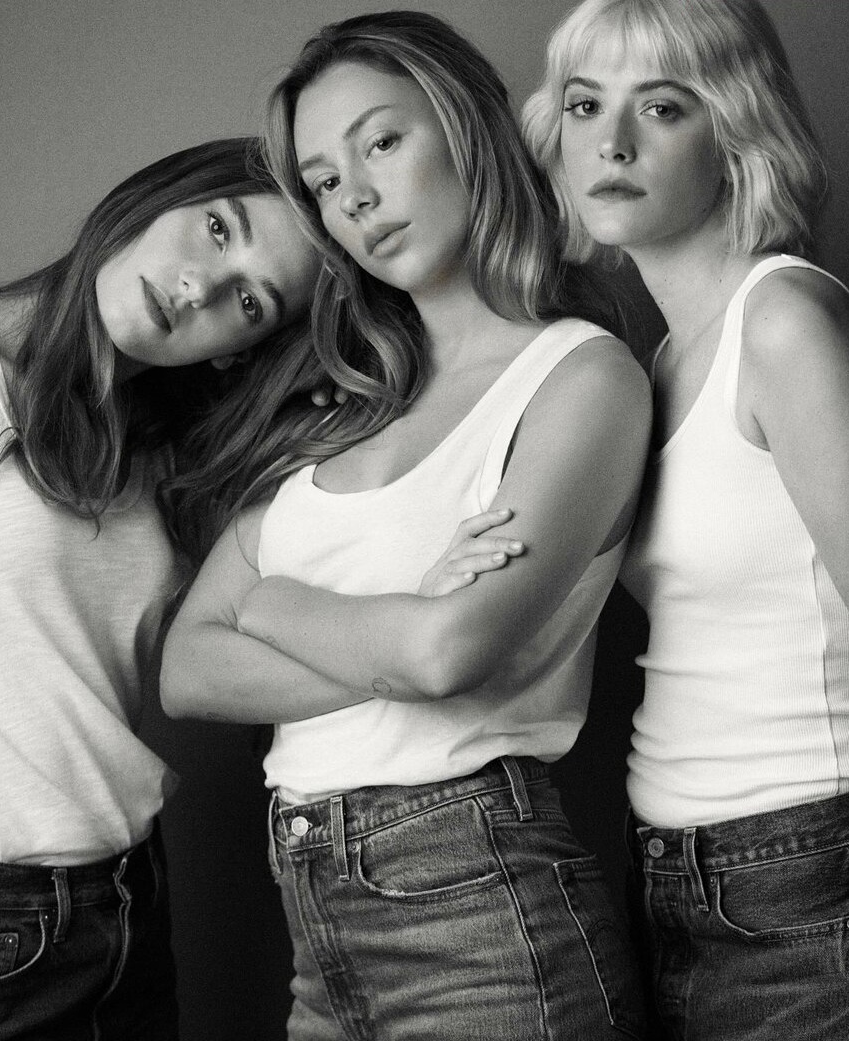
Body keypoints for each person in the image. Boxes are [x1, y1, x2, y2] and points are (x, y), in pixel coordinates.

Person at [161, 11, 651, 1039]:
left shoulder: (578, 376)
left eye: (381, 141)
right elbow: (188, 669)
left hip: (483, 916)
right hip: (316, 930)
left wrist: (276, 604)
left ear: (463, 125)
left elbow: (445, 653)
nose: (356, 198)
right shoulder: (339, 408)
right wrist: (393, 636)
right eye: (324, 183)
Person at [522, 0, 849, 1037]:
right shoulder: (658, 360)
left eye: (662, 107)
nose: (611, 143)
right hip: (677, 870)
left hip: (806, 865)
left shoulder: (784, 322)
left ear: (737, 132)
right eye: (585, 106)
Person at [0, 136, 323, 1040]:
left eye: (250, 302)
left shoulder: (165, 456)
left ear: (242, 351)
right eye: (217, 229)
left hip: (125, 897)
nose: (198, 288)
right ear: (161, 195)